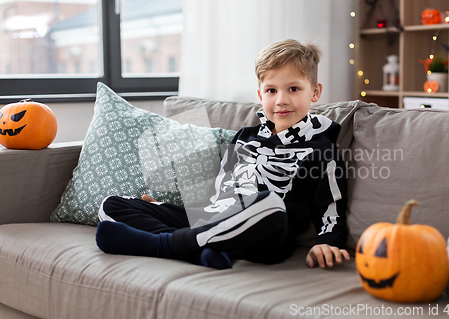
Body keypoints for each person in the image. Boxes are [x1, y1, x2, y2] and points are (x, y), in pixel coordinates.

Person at [95, 39, 349, 270]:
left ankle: (162, 245)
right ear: (260, 95)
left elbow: (331, 209)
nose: (281, 100)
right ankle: (200, 251)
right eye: (272, 90)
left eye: (293, 89)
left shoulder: (322, 149)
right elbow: (220, 194)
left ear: (315, 92)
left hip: (267, 234)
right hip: (216, 220)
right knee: (112, 204)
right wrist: (168, 209)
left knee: (270, 202)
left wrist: (326, 242)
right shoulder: (243, 137)